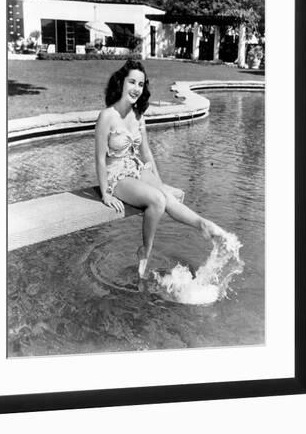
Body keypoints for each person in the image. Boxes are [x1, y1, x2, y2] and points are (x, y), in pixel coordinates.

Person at [94, 59, 223, 279]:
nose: (136, 88)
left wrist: (159, 182)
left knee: (165, 196)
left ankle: (202, 224)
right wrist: (106, 193)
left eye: (141, 84)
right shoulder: (107, 116)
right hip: (116, 176)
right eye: (132, 82)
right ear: (121, 83)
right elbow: (98, 158)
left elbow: (146, 154)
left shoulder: (138, 115)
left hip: (136, 168)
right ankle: (145, 250)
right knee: (158, 201)